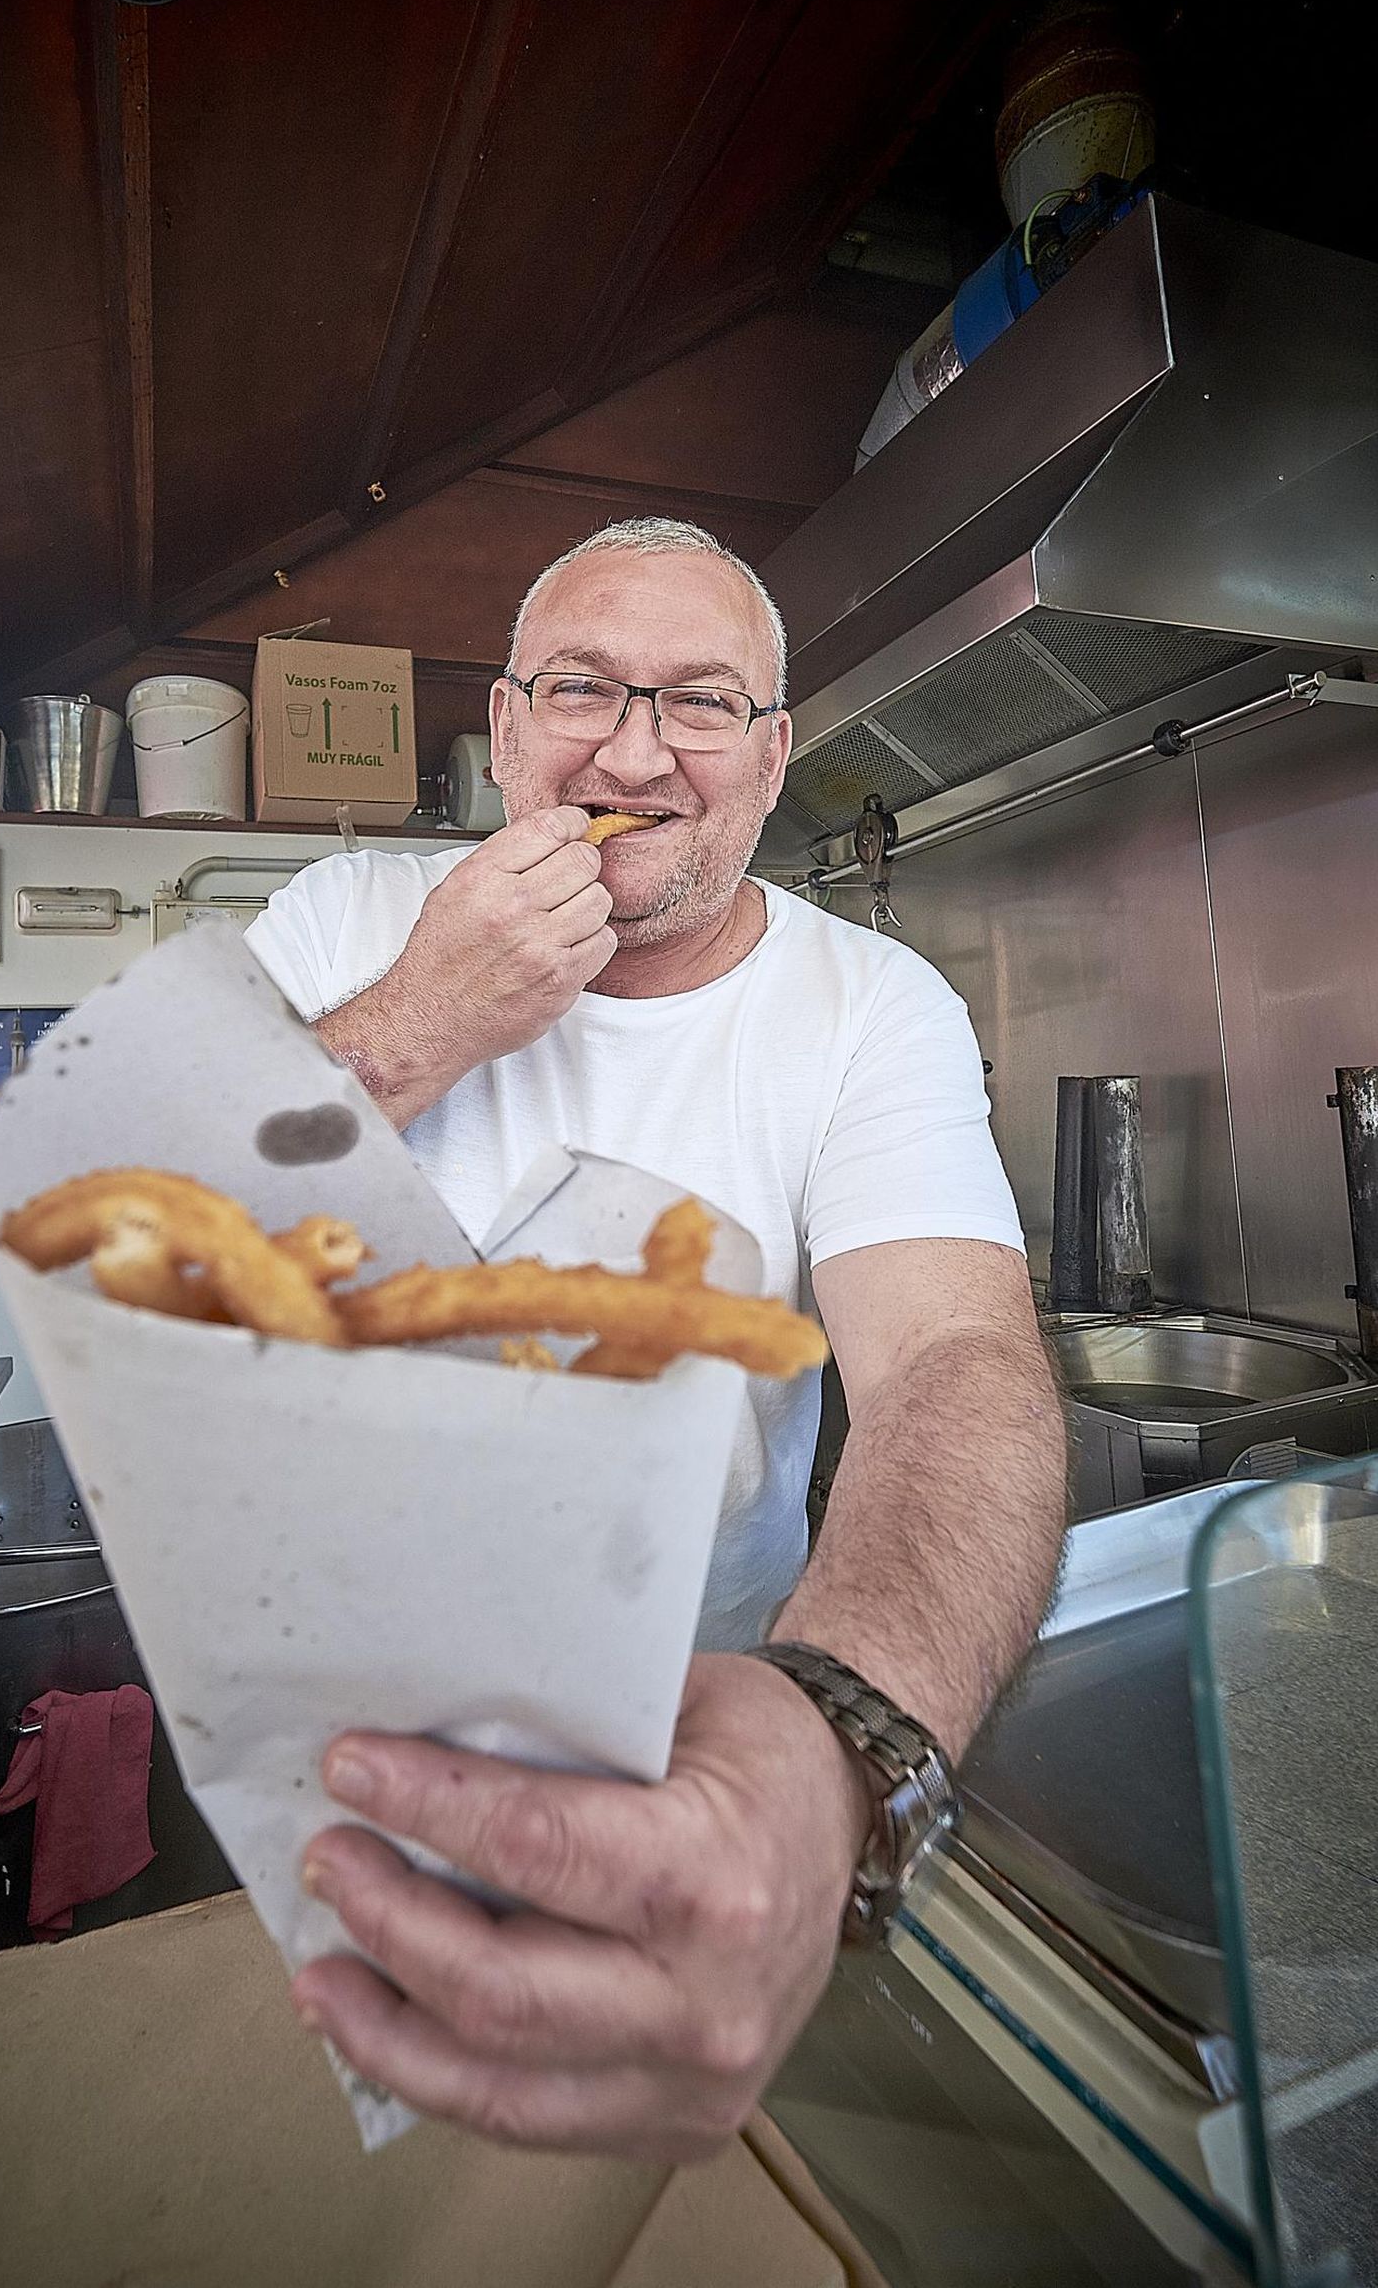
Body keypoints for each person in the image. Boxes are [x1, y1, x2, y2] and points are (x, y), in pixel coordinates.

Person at [246, 517, 1065, 2160]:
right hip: (308, 1742)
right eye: (583, 688)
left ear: (771, 760)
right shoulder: (343, 918)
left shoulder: (870, 1007)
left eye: (699, 703)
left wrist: (837, 1733)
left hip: (676, 1749)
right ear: (502, 721)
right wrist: (426, 1019)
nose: (634, 748)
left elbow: (948, 1367)